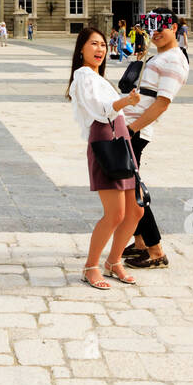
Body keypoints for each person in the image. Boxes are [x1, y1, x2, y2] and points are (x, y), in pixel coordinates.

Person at [67, 26, 143, 291]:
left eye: (102, 44)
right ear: (81, 50)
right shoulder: (84, 76)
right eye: (93, 45)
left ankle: (113, 261)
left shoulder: (99, 78)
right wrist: (125, 102)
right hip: (105, 142)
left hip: (120, 140)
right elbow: (100, 111)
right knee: (115, 213)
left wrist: (125, 105)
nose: (100, 49)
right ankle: (91, 266)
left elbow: (114, 111)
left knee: (136, 210)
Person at [124, 17, 189, 269]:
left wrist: (132, 128)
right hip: (130, 127)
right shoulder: (160, 56)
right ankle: (140, 243)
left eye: (161, 28)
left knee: (133, 192)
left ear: (174, 28)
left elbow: (163, 102)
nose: (155, 33)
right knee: (129, 188)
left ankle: (156, 251)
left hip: (135, 131)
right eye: (151, 28)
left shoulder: (174, 59)